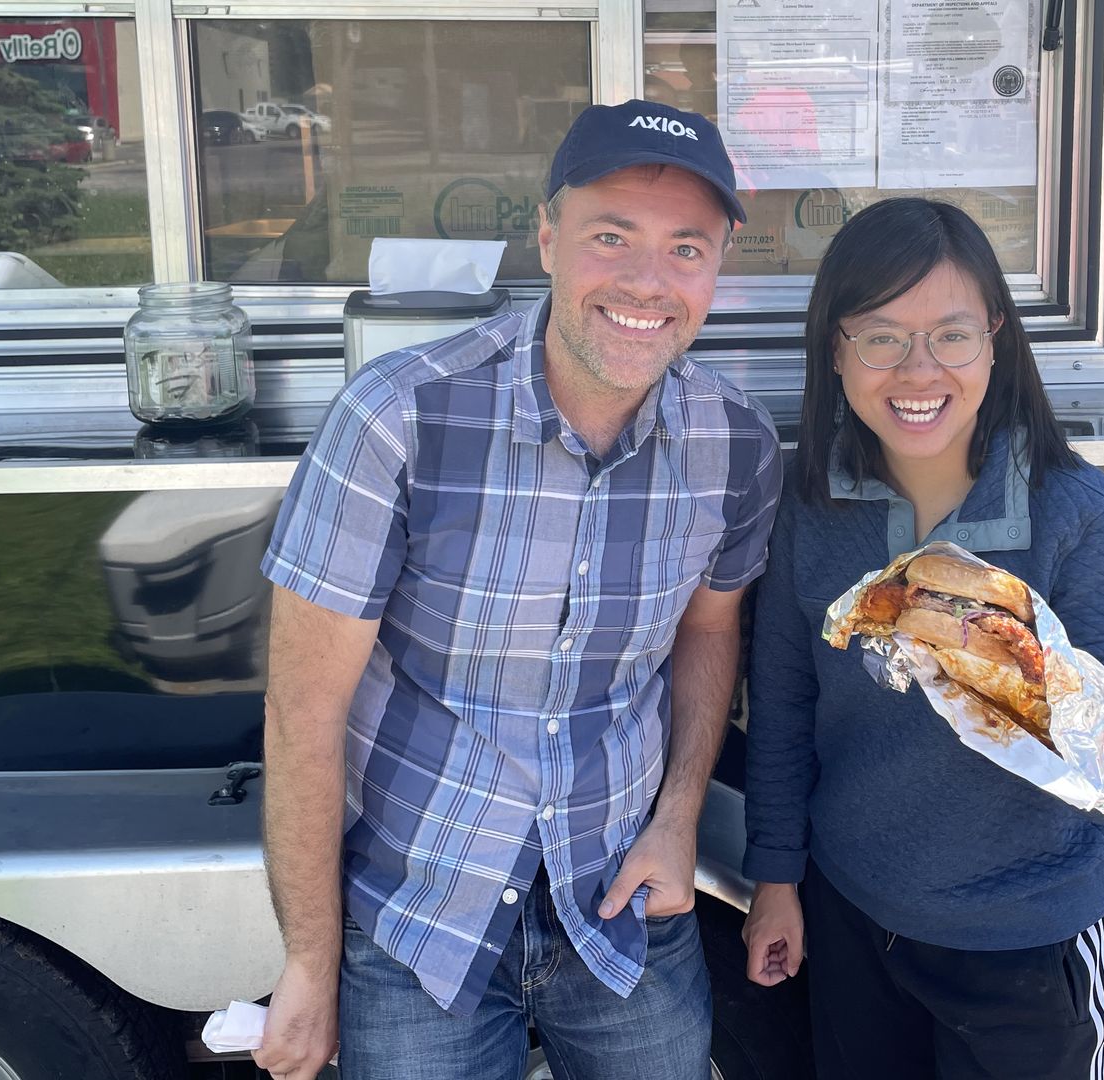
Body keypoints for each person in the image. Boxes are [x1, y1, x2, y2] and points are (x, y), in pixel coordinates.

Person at [251, 99, 781, 1080]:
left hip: (622, 902)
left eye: (685, 250)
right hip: (418, 911)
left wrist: (675, 826)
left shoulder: (735, 444)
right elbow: (303, 711)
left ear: (716, 271)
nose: (646, 283)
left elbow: (710, 635)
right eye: (610, 238)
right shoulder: (400, 418)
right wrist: (309, 966)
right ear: (546, 237)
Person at [740, 197, 1104, 1080]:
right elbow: (781, 709)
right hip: (852, 911)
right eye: (882, 336)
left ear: (997, 341)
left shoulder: (1084, 518)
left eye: (952, 334)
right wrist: (776, 882)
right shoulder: (809, 515)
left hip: (1027, 938)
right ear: (837, 351)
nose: (918, 369)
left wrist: (999, 663)